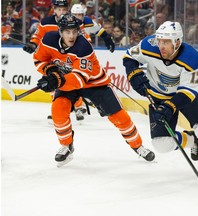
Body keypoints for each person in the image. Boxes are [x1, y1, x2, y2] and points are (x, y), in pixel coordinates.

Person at [33, 14, 155, 167]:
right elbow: (39, 60)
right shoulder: (49, 40)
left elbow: (79, 79)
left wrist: (56, 80)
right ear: (60, 31)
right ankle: (66, 146)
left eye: (74, 31)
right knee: (58, 110)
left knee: (120, 117)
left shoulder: (83, 46)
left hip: (95, 84)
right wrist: (50, 71)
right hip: (66, 82)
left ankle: (138, 146)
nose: (71, 36)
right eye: (67, 32)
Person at [123, 21, 198, 176]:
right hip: (158, 96)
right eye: (160, 41)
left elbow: (187, 92)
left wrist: (170, 107)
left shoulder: (193, 59)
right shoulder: (148, 45)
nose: (161, 46)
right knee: (161, 144)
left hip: (184, 96)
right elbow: (128, 57)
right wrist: (133, 74)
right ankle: (192, 140)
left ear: (177, 42)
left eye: (166, 42)